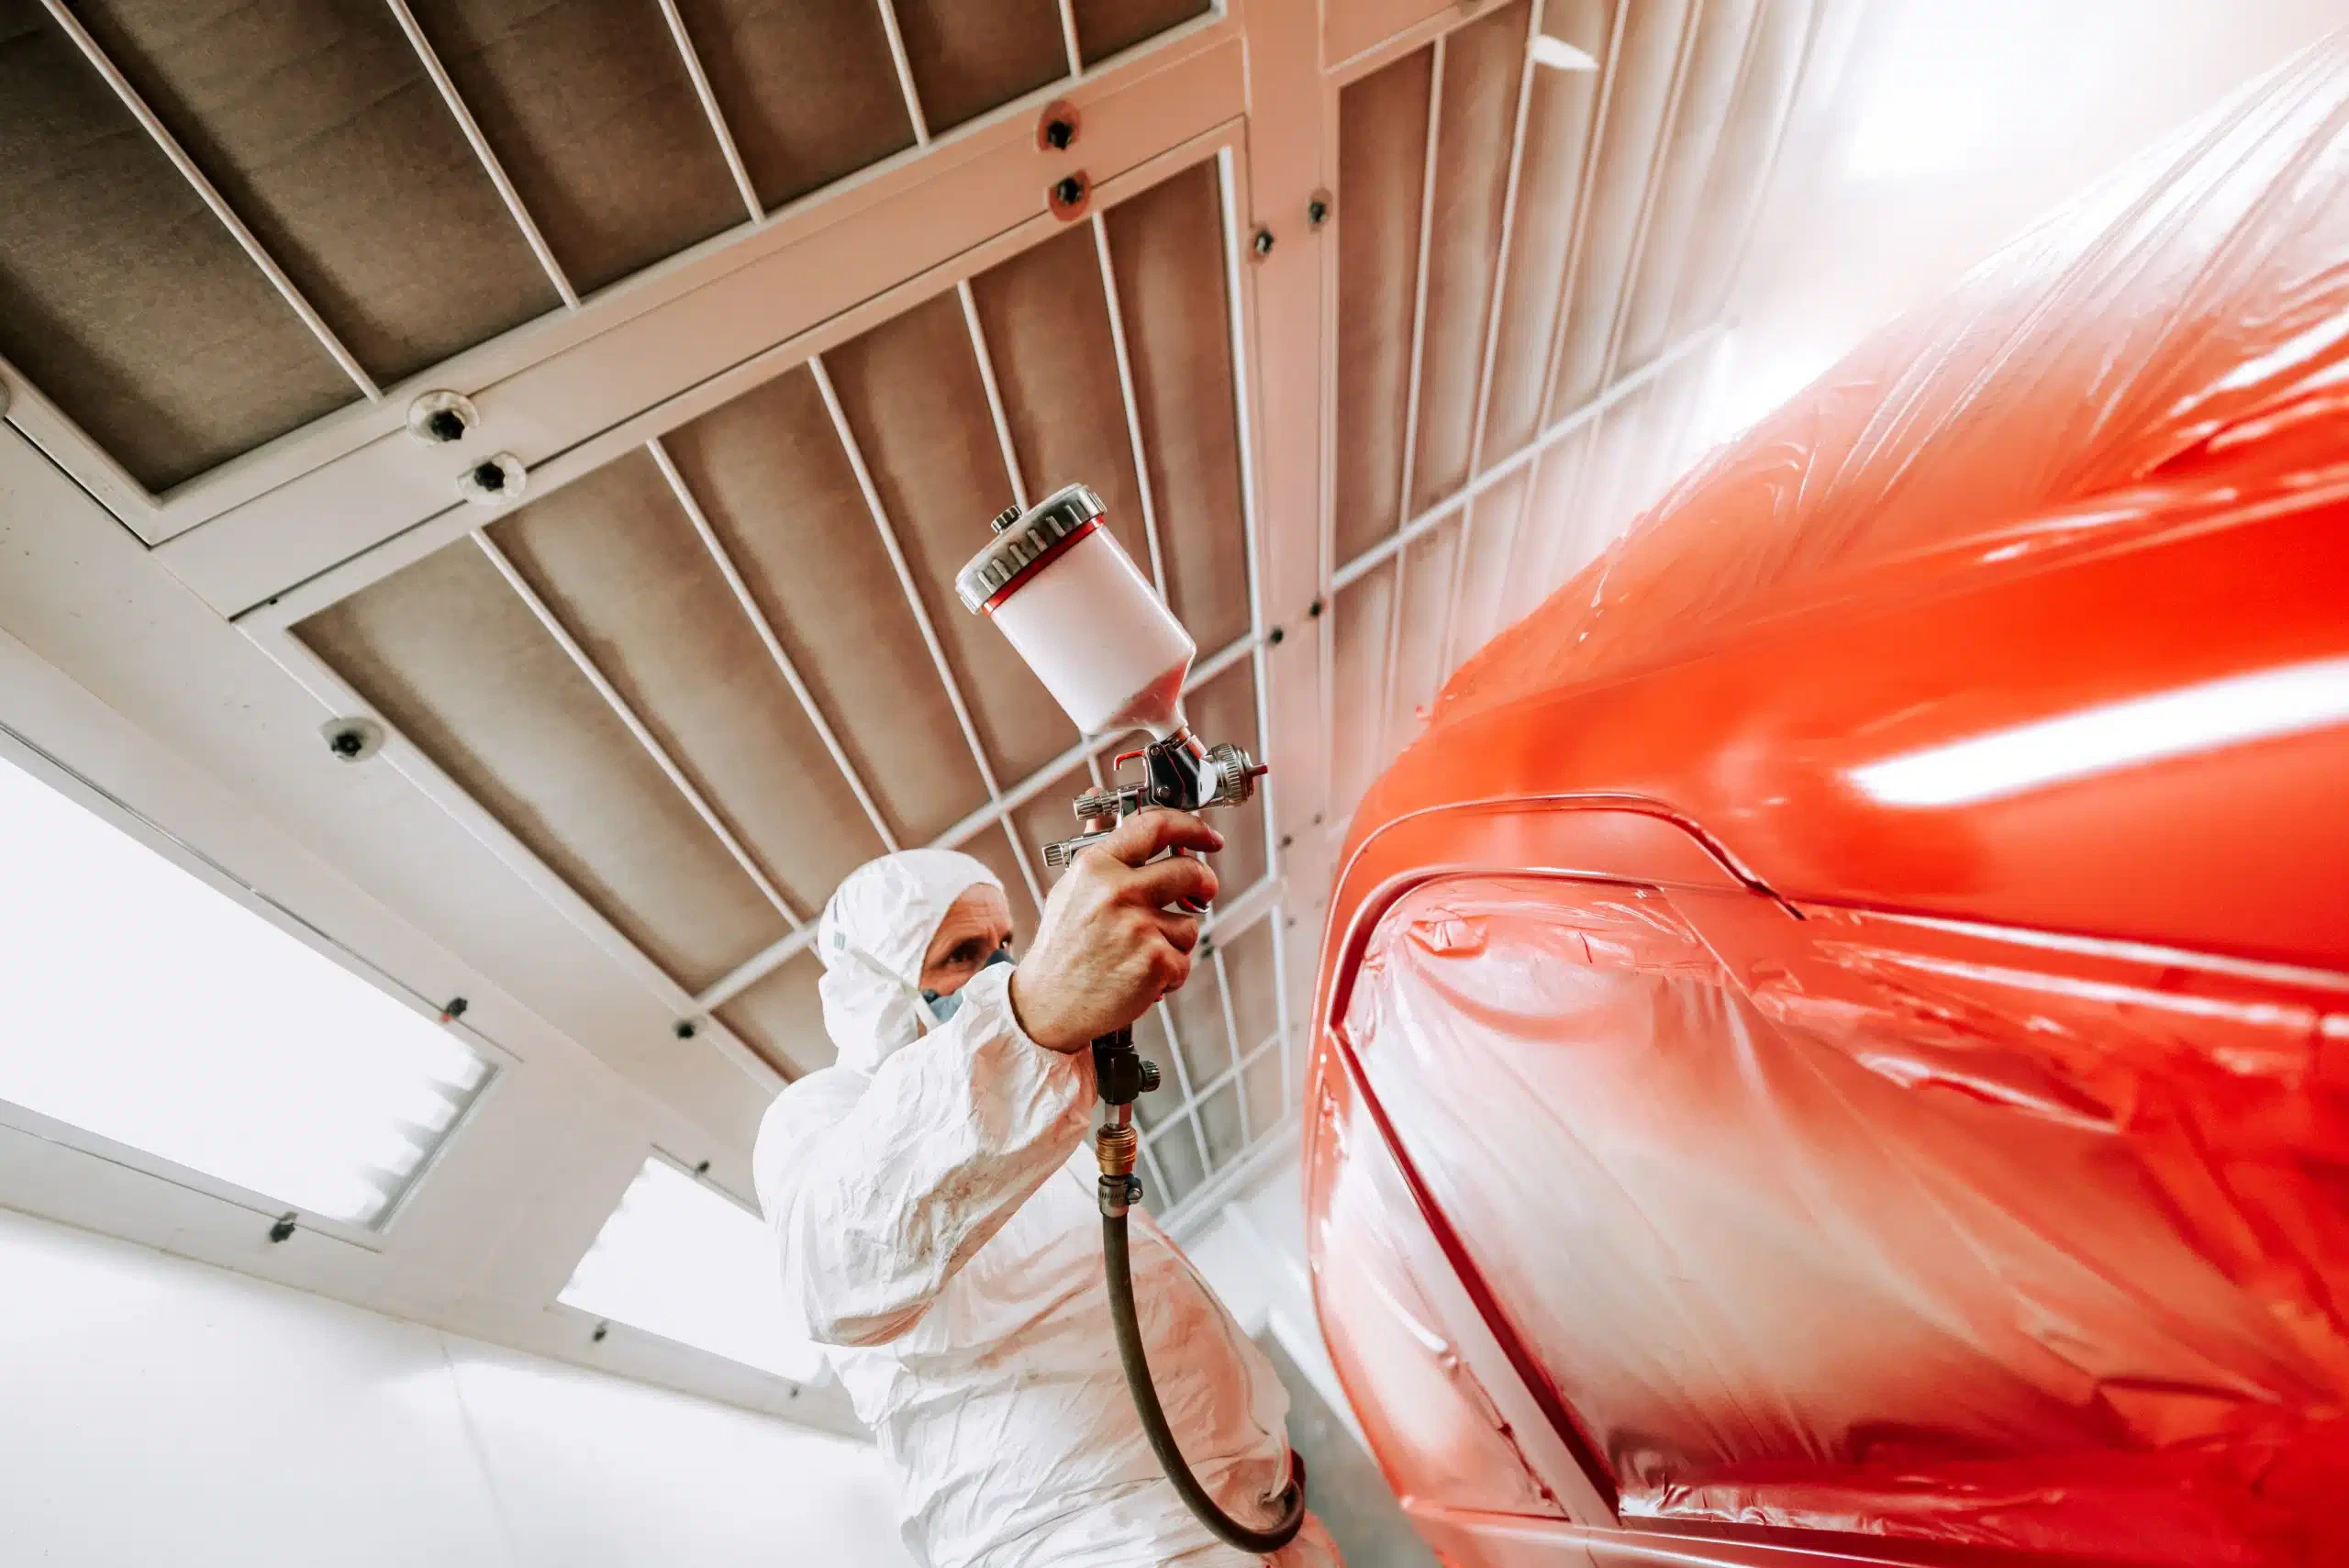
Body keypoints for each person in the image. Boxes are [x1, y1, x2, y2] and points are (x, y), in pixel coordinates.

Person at [753, 808, 1340, 1567]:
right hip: (1097, 1545)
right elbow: (831, 1268)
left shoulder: (1028, 1128)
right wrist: (1026, 1018)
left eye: (1006, 945)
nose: (999, 971)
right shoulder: (825, 1115)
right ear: (881, 994)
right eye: (963, 954)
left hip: (1244, 1516)